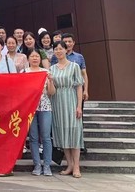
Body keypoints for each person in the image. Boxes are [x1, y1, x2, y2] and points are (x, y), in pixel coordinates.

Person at [50, 41, 84, 178]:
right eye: (56, 49)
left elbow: (79, 86)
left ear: (65, 50)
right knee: (63, 133)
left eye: (60, 49)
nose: (58, 51)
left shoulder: (74, 66)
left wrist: (79, 106)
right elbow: (51, 90)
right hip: (57, 102)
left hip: (71, 100)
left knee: (74, 133)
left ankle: (76, 166)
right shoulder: (52, 69)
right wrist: (50, 81)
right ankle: (69, 164)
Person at [25, 50, 56, 176]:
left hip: (45, 107)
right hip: (30, 108)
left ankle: (47, 165)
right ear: (28, 59)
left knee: (46, 137)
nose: (34, 58)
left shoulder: (46, 72)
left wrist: (51, 81)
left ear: (40, 59)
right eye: (32, 56)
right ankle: (37, 165)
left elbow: (52, 93)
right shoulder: (24, 72)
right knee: (33, 137)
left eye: (37, 56)